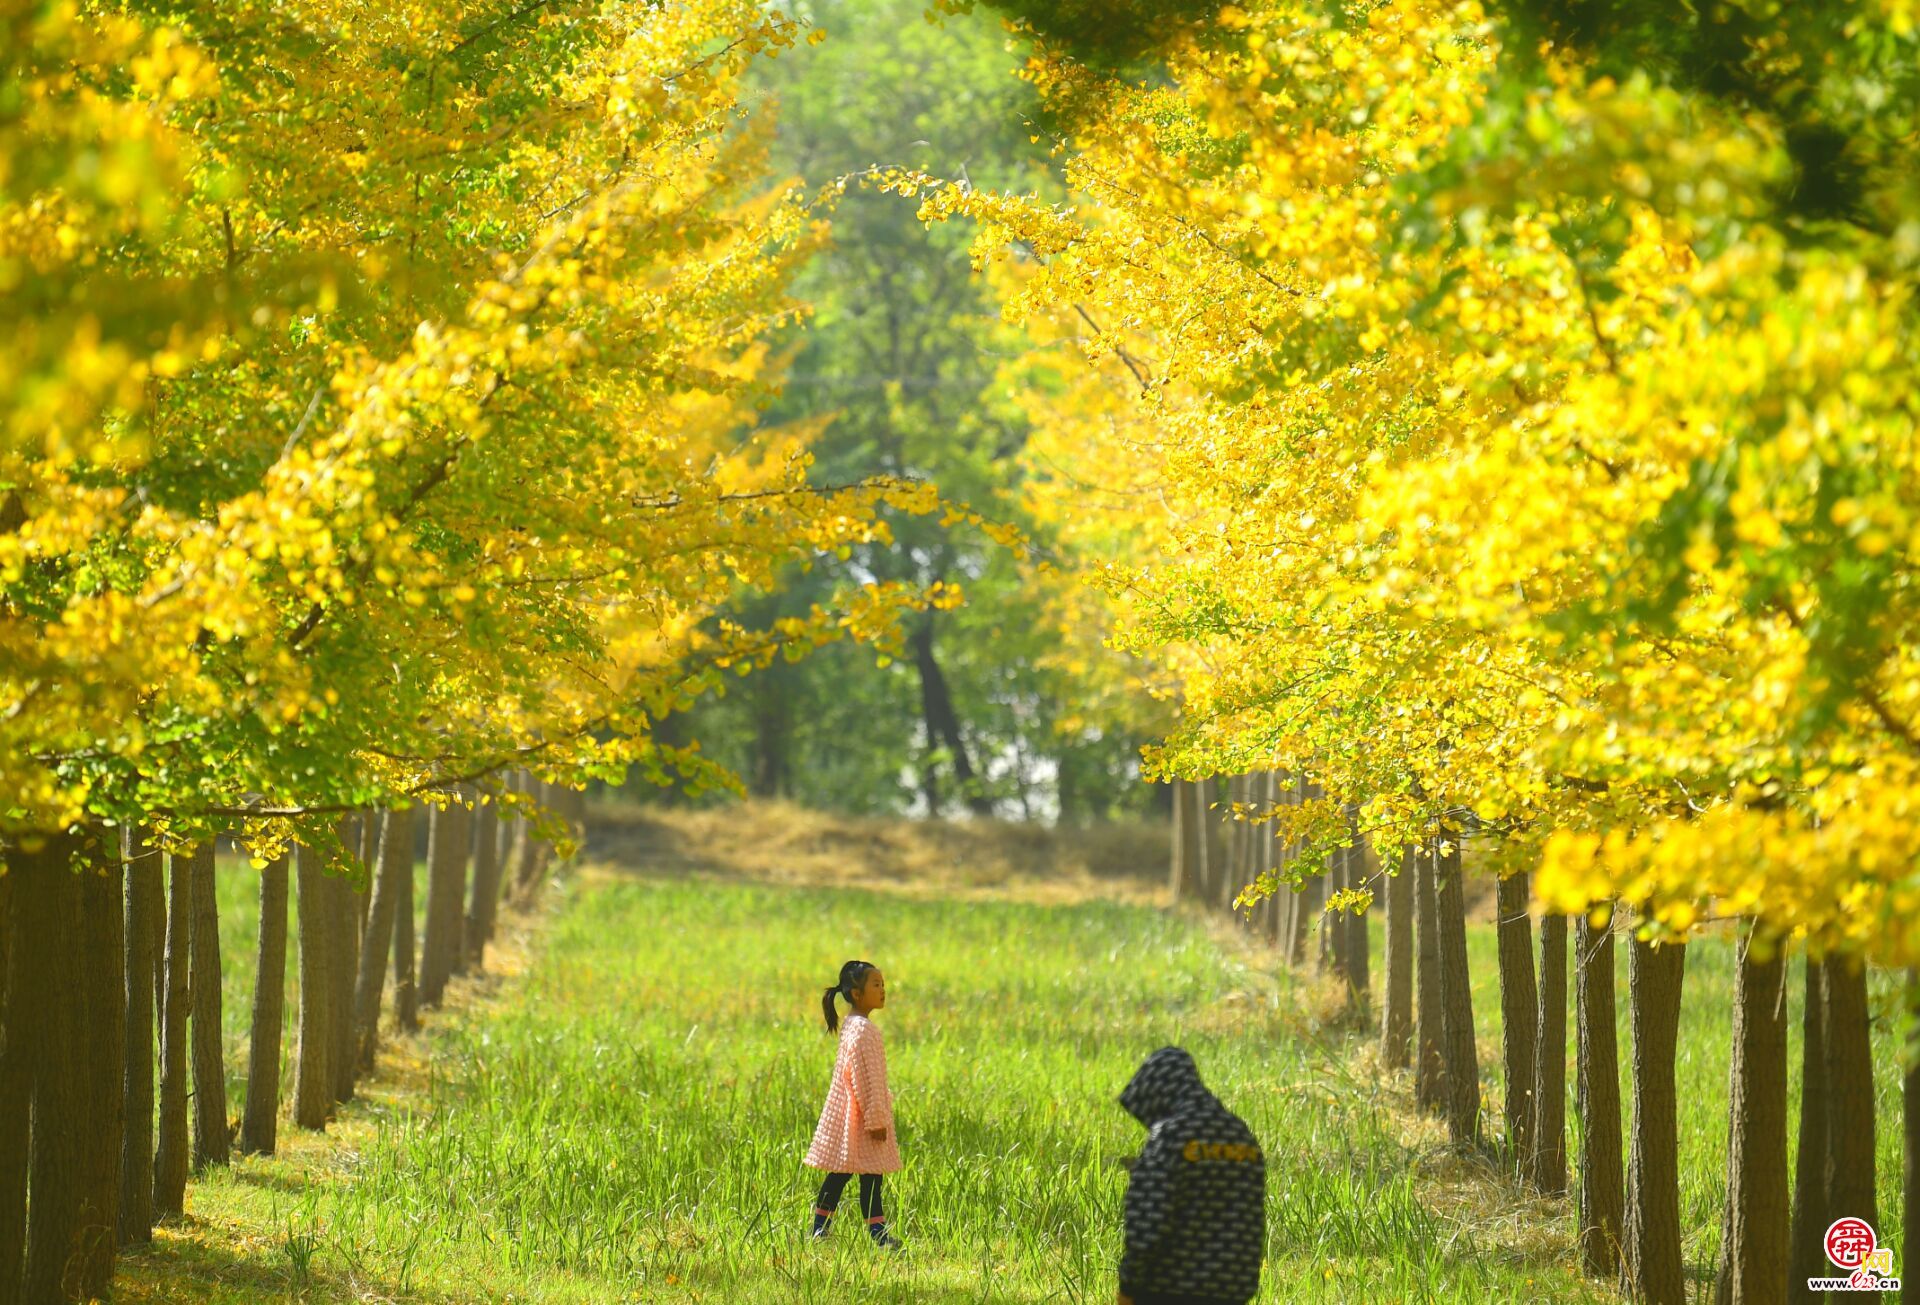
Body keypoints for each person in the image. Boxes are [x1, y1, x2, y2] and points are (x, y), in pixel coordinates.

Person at [1114, 1046, 1265, 1305]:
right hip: (1233, 1290)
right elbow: (1252, 1218)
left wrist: (1128, 1285)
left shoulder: (1170, 1134)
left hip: (1168, 1290)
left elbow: (1148, 1224)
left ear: (1160, 1092)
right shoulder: (1240, 1135)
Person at [803, 959, 902, 1248]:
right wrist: (877, 1119)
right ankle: (876, 1235)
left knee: (841, 1173)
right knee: (868, 1177)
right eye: (875, 984)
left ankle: (822, 1229)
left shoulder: (853, 1026)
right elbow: (866, 1078)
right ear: (857, 994)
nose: (883, 990)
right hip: (862, 1119)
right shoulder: (864, 1031)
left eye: (883, 984)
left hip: (851, 1116)